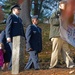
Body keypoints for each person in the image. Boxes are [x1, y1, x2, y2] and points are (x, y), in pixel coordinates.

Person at [49, 1, 75, 69]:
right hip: (56, 35)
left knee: (67, 50)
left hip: (64, 36)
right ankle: (53, 65)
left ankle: (70, 64)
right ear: (60, 6)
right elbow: (52, 21)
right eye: (63, 5)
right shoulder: (56, 13)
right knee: (56, 51)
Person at [5, 4, 25, 70]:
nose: (19, 11)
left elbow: (21, 29)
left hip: (19, 39)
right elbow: (8, 27)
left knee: (17, 53)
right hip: (12, 38)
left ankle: (15, 66)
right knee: (14, 52)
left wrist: (23, 37)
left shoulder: (19, 19)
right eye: (18, 9)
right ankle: (11, 67)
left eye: (19, 9)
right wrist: (8, 36)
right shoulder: (11, 17)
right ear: (14, 10)